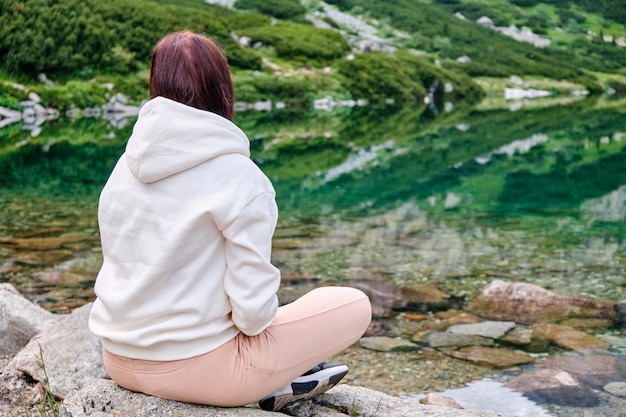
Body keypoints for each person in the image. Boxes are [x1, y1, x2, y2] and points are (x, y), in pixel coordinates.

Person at [88, 30, 371, 411]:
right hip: (203, 374)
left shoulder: (124, 166)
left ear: (156, 85)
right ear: (222, 88)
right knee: (353, 304)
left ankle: (282, 374)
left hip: (118, 360)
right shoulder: (240, 177)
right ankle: (276, 379)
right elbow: (253, 318)